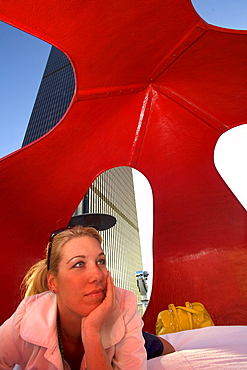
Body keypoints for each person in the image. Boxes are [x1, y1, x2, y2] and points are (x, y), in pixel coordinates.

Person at [0, 225, 174, 369]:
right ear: (53, 282)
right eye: (79, 264)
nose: (97, 275)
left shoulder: (123, 304)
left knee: (166, 348)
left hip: (121, 335)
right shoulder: (25, 319)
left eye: (101, 261)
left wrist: (91, 332)